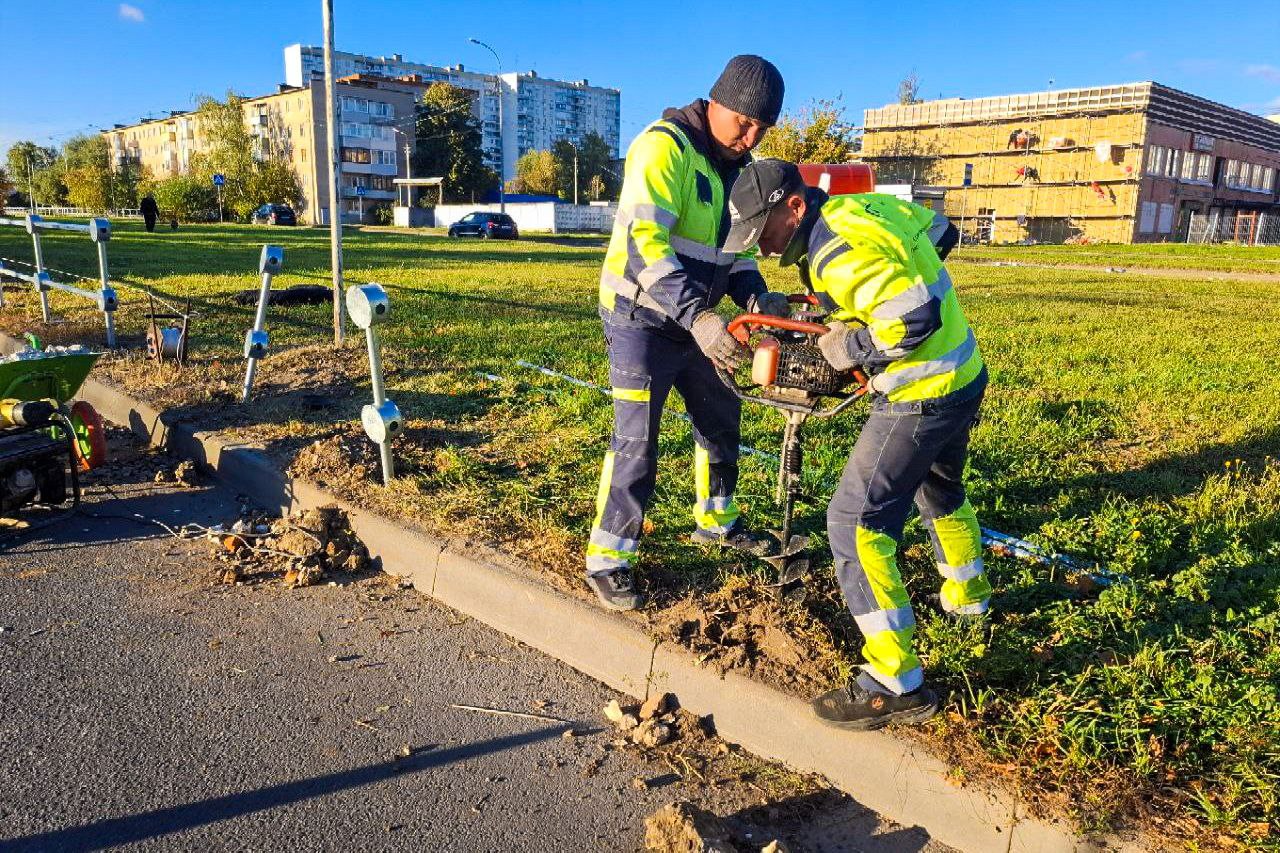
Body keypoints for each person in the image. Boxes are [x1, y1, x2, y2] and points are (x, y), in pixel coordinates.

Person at [722, 159, 991, 730]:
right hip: (963, 371)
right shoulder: (860, 208)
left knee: (853, 522)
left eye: (762, 232)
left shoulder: (834, 254)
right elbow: (942, 235)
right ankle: (969, 599)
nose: (762, 249)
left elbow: (914, 319)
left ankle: (894, 680)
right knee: (940, 490)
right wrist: (847, 305)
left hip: (920, 391)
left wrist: (850, 348)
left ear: (794, 207)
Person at [585, 55, 792, 611]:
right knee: (637, 442)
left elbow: (737, 254)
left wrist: (757, 299)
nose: (750, 138)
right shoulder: (664, 147)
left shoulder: (741, 170)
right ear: (715, 102)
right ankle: (609, 557)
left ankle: (717, 521)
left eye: (761, 129)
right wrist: (698, 317)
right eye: (743, 123)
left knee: (722, 417)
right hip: (640, 318)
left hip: (700, 321)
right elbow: (644, 247)